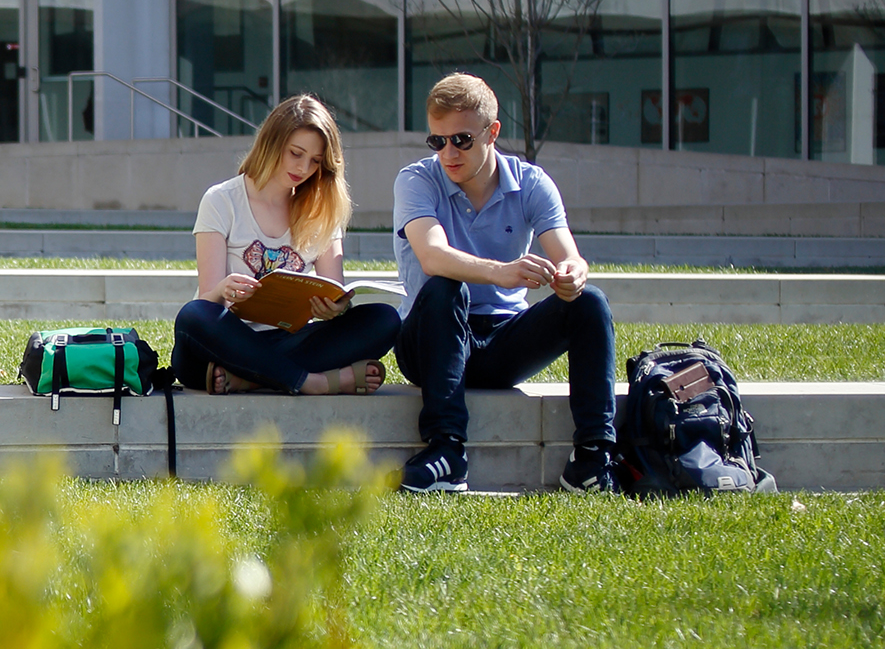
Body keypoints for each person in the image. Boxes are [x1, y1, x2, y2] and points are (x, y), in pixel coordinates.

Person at [391, 73, 617, 494]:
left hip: (501, 342)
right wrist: (502, 270)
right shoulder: (416, 180)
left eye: (461, 140)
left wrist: (571, 276)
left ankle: (592, 459)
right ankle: (447, 452)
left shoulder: (531, 183)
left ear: (492, 132)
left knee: (591, 303)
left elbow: (569, 255)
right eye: (437, 142)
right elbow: (433, 256)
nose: (448, 153)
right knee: (445, 285)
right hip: (429, 338)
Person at [170, 94, 398, 395]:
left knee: (384, 320)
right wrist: (223, 290)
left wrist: (334, 309)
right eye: (296, 153)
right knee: (193, 317)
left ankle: (252, 379)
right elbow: (207, 302)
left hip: (292, 338)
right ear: (272, 142)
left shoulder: (322, 210)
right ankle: (315, 382)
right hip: (229, 339)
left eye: (316, 161)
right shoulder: (222, 200)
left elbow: (335, 290)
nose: (303, 168)